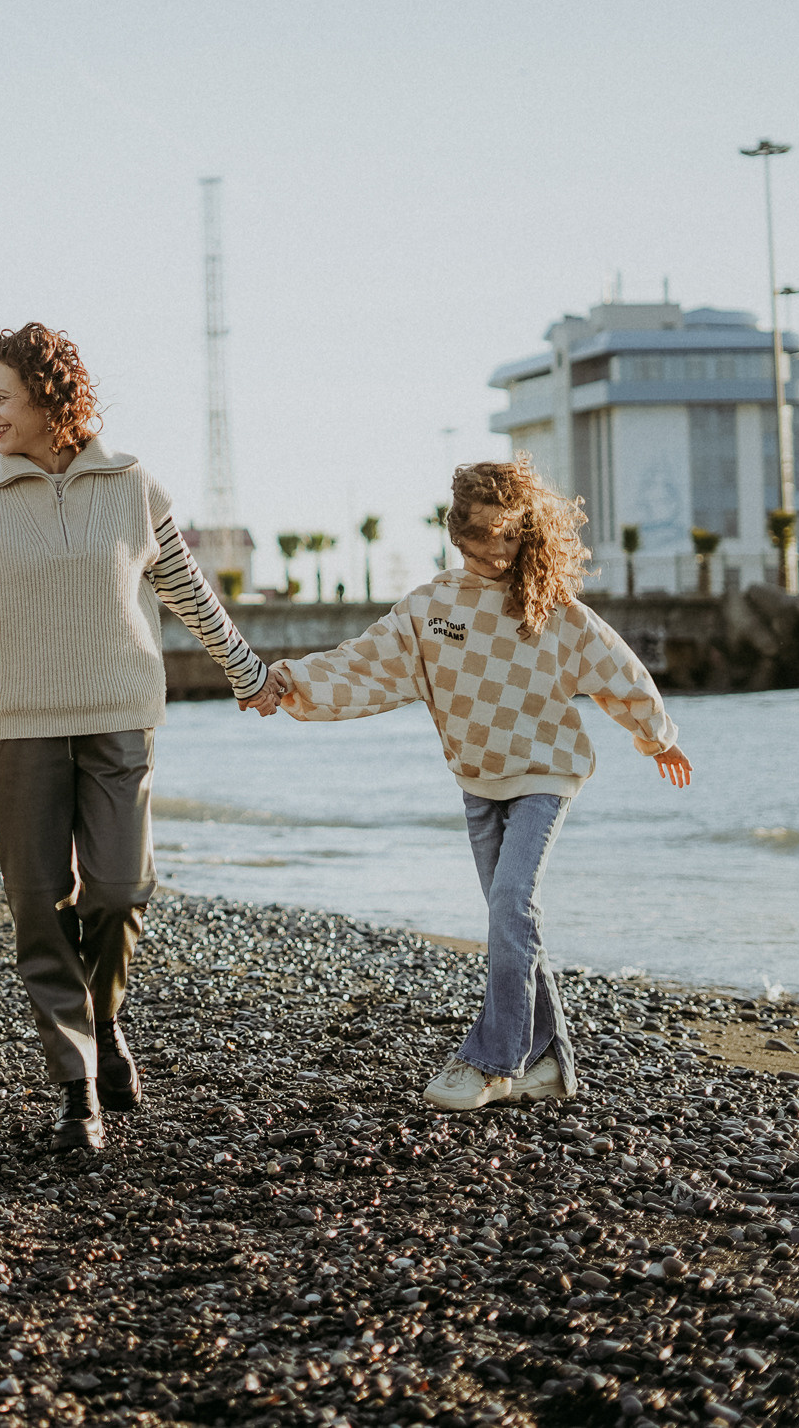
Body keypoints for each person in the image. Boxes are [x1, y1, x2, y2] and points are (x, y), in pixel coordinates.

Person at [0, 324, 275, 1152]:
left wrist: (249, 671)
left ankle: (106, 1016)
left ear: (50, 397)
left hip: (120, 716)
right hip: (20, 731)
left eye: (0, 396)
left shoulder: (130, 486)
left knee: (120, 889)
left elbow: (191, 595)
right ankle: (77, 1084)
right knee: (38, 907)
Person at [256, 457, 693, 1111]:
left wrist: (658, 736)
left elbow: (618, 670)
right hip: (478, 779)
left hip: (547, 772)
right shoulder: (434, 607)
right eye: (481, 534)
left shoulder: (553, 610)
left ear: (531, 534)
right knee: (511, 919)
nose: (494, 549)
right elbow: (364, 663)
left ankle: (491, 1062)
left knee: (511, 905)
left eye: (509, 535)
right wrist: (292, 682)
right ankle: (553, 1064)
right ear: (458, 530)